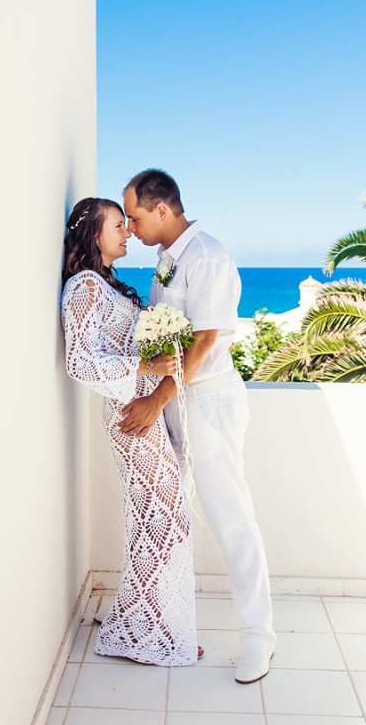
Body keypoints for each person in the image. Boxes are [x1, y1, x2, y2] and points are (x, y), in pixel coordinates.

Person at [121, 169, 277, 683]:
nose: (131, 228)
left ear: (162, 210)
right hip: (176, 402)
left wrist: (156, 400)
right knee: (168, 515)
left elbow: (206, 341)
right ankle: (151, 620)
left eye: (136, 218)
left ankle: (259, 639)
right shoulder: (169, 259)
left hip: (207, 403)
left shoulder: (206, 256)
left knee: (232, 519)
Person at [61, 197, 200, 666]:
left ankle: (147, 625)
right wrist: (145, 366)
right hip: (129, 414)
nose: (127, 232)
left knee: (160, 520)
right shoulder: (83, 286)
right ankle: (143, 630)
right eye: (118, 225)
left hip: (143, 409)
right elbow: (79, 361)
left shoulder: (105, 283)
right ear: (93, 233)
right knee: (159, 520)